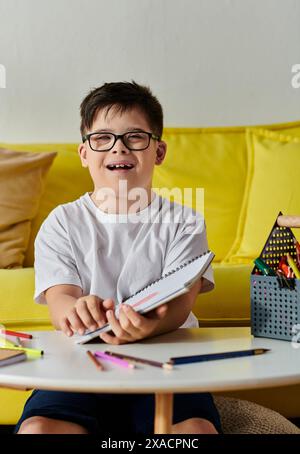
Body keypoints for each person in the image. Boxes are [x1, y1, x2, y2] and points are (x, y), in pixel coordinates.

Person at [15, 81, 222, 435]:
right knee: (39, 428)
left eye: (135, 137)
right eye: (103, 138)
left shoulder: (185, 221)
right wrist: (76, 312)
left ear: (158, 152)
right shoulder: (63, 222)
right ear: (84, 153)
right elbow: (60, 298)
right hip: (80, 361)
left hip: (165, 364)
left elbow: (181, 304)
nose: (118, 148)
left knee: (194, 431)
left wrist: (149, 326)